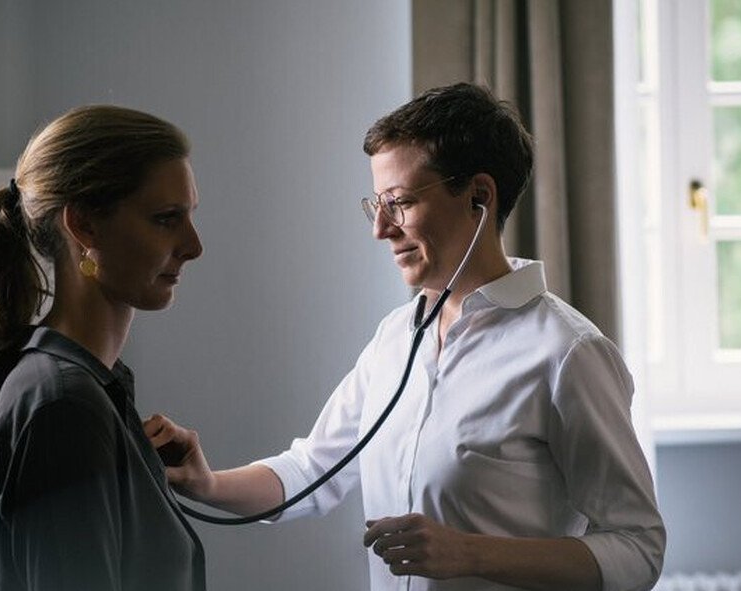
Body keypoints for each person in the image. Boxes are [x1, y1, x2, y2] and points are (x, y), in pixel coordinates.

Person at [145, 83, 665, 591]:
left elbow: (638, 547)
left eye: (400, 203)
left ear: (479, 196)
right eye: (377, 205)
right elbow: (312, 469)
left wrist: (471, 553)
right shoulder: (396, 337)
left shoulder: (568, 353)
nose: (381, 229)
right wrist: (205, 483)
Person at [0, 105, 206, 591]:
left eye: (189, 216)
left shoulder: (84, 390)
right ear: (83, 225)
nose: (193, 245)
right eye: (166, 219)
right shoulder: (64, 406)